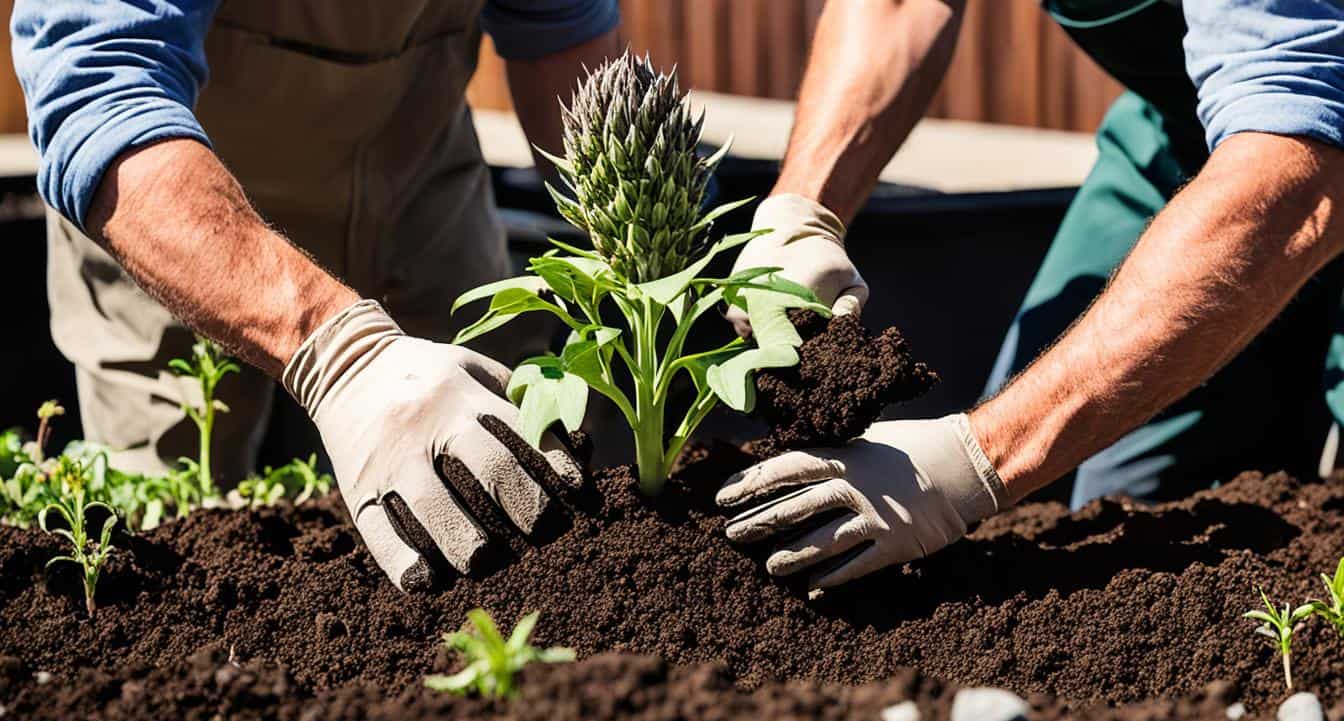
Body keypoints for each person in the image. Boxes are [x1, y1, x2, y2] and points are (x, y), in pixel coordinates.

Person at [719, 0, 1344, 591]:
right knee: (1105, 509)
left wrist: (974, 461)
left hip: (1292, 153)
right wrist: (803, 213)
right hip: (1197, 129)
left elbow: (1296, 171)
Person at [11, 0, 623, 591]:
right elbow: (95, 89)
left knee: (509, 478)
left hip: (416, 195)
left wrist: (670, 261)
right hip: (178, 219)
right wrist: (344, 355)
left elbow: (562, 43)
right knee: (175, 540)